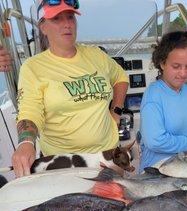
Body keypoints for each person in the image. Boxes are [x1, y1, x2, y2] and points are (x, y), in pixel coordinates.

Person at [9, 0, 129, 177]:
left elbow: (120, 77)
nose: (66, 24)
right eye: (57, 19)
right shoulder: (33, 67)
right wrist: (25, 142)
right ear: (43, 27)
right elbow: (29, 111)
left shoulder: (96, 55)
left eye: (70, 17)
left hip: (109, 155)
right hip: (64, 162)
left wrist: (116, 112)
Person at [139, 30, 187, 172]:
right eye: (176, 66)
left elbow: (185, 129)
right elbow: (155, 141)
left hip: (186, 162)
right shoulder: (153, 95)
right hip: (158, 168)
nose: (183, 73)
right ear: (162, 63)